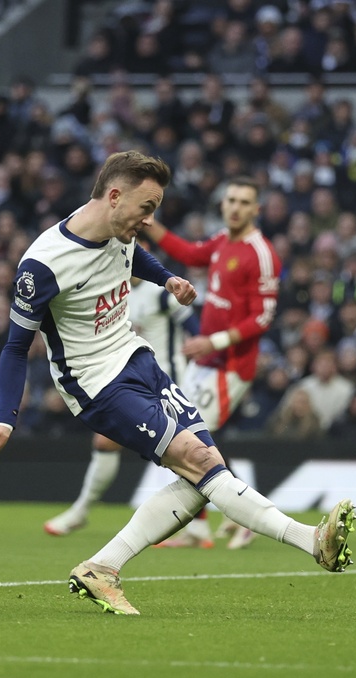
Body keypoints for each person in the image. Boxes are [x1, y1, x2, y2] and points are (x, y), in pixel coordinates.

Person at [0, 151, 356, 616]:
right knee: (201, 462)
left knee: (205, 471)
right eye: (146, 208)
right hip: (97, 384)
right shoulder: (42, 266)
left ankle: (102, 567)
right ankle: (312, 541)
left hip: (137, 359)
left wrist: (166, 279)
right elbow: (14, 349)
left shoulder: (119, 228)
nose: (149, 220)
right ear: (115, 196)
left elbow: (131, 254)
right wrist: (4, 421)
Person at [145, 175, 282, 550]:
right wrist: (150, 224)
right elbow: (190, 254)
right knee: (192, 441)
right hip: (204, 362)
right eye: (230, 200)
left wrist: (213, 340)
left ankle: (240, 521)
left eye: (243, 202)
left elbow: (262, 317)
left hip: (230, 366)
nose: (235, 207)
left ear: (256, 209)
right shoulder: (222, 240)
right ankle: (207, 527)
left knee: (189, 442)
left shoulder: (261, 252)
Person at [43, 267, 196, 537]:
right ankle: (81, 510)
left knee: (189, 451)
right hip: (133, 379)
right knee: (107, 441)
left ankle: (218, 518)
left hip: (167, 380)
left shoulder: (161, 293)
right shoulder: (117, 292)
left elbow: (196, 328)